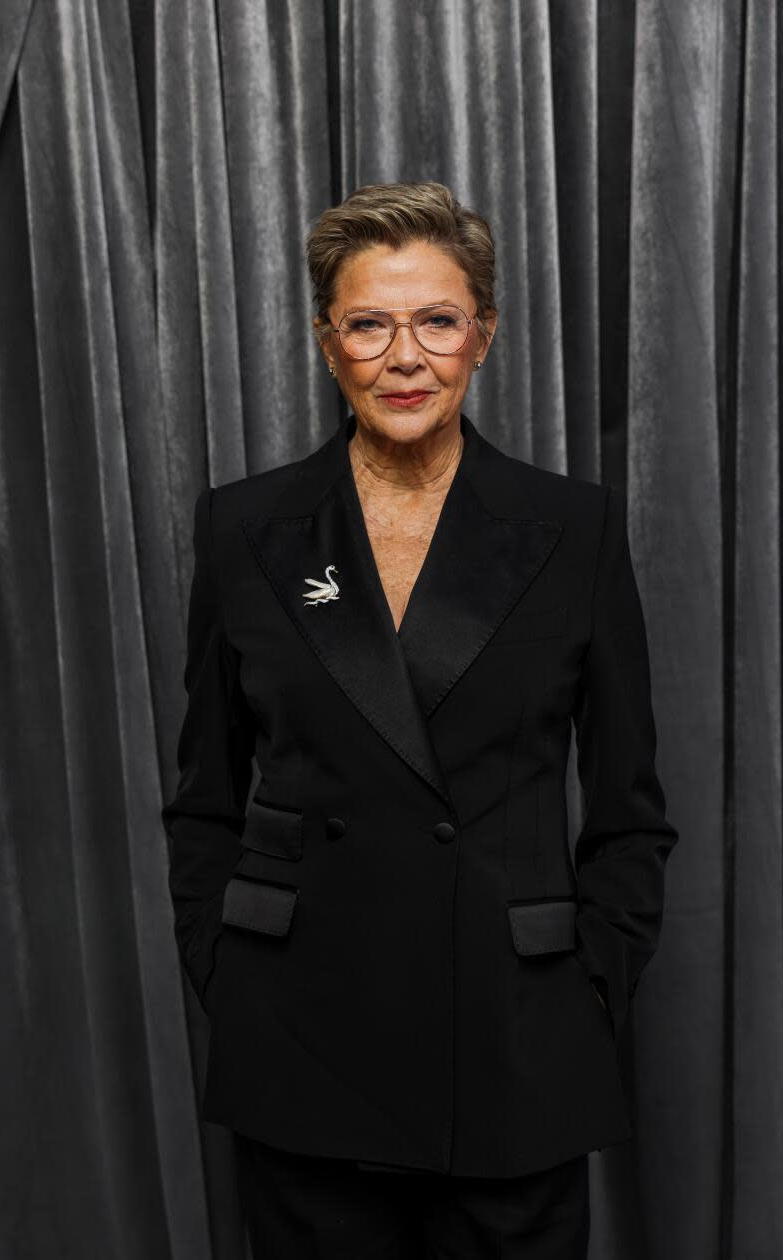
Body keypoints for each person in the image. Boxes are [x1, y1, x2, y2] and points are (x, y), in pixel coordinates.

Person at [161, 181, 679, 1259]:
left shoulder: (572, 528)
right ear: (326, 342)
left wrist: (586, 992)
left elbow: (631, 811)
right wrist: (230, 969)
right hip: (306, 1044)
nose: (405, 356)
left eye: (437, 320)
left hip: (514, 1048)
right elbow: (205, 794)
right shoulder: (247, 527)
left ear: (482, 336)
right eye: (368, 323)